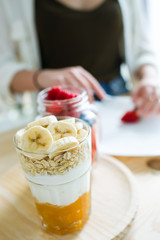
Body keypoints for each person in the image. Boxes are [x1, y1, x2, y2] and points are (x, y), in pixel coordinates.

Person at [0, 0, 160, 117]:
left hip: (118, 99)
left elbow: (142, 47)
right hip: (59, 108)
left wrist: (150, 78)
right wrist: (42, 77)